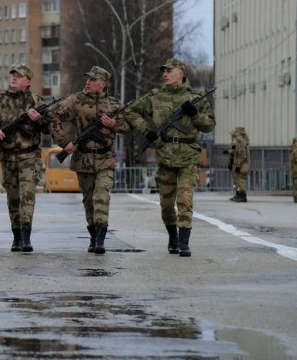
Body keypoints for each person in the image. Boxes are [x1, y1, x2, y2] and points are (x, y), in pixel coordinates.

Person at [125, 58, 215, 257]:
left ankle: (184, 243)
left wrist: (195, 115)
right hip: (165, 156)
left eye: (169, 70)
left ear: (180, 73)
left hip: (188, 156)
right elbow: (130, 111)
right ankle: (172, 237)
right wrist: (146, 130)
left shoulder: (196, 97)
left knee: (185, 200)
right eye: (163, 71)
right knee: (166, 205)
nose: (164, 74)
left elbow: (209, 125)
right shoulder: (155, 97)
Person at [47, 66, 130, 254]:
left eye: (93, 79)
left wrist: (114, 124)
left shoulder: (113, 104)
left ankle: (100, 240)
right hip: (83, 158)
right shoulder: (75, 100)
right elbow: (52, 115)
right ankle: (93, 236)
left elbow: (128, 126)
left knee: (102, 196)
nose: (88, 82)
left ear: (103, 84)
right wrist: (64, 141)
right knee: (89, 200)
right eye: (88, 78)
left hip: (105, 158)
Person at [0, 64, 48, 252]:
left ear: (27, 81)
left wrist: (38, 120)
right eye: (12, 75)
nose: (14, 78)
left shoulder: (37, 101)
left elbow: (50, 127)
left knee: (27, 196)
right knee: (13, 197)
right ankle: (16, 237)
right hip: (8, 156)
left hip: (29, 156)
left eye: (18, 76)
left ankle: (26, 238)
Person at [228, 127, 250, 202]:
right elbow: (234, 153)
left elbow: (243, 156)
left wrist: (238, 165)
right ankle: (238, 194)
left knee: (241, 180)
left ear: (242, 135)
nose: (236, 137)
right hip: (237, 164)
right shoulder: (238, 144)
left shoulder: (243, 144)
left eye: (237, 136)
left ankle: (242, 195)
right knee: (236, 180)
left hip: (242, 165)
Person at [290, 137, 297, 204]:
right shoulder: (295, 151)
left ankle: (295, 198)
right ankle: (295, 198)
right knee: (296, 186)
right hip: (295, 171)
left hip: (294, 171)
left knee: (295, 186)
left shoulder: (292, 150)